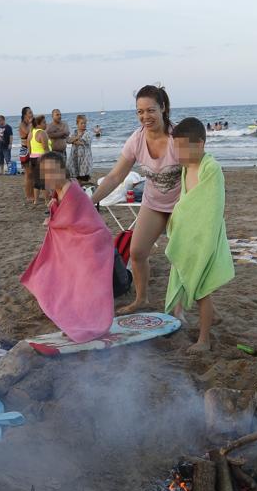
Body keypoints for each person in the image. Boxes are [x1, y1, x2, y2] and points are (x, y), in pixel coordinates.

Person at [91, 84, 181, 312]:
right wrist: (89, 201)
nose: (145, 116)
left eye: (150, 110)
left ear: (163, 108)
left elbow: (199, 174)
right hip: (154, 204)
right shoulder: (136, 139)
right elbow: (115, 176)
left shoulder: (178, 137)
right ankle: (141, 299)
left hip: (182, 205)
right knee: (137, 252)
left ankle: (180, 307)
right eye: (140, 111)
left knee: (182, 258)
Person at [19, 152, 115, 343]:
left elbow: (70, 218)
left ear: (63, 170)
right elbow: (63, 217)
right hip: (78, 242)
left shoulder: (72, 189)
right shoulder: (58, 190)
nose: (50, 176)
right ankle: (75, 321)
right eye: (46, 173)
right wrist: (54, 207)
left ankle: (90, 324)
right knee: (64, 280)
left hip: (93, 241)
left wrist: (52, 221)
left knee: (85, 286)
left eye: (53, 171)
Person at [165, 118, 234, 352]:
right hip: (188, 235)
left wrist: (186, 216)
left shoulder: (210, 168)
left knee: (202, 288)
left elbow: (210, 206)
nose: (179, 154)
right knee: (180, 271)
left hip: (206, 237)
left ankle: (204, 340)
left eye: (184, 148)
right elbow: (185, 201)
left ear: (201, 144)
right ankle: (179, 312)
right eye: (177, 149)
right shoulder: (186, 168)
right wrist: (178, 221)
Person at [27, 115, 51, 206]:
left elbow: (29, 148)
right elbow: (45, 148)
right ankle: (47, 201)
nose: (46, 124)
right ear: (38, 124)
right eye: (44, 122)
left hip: (33, 158)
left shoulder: (31, 133)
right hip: (42, 158)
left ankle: (36, 201)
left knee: (37, 181)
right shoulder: (42, 133)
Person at [18, 107, 36, 204]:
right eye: (30, 112)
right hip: (25, 150)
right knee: (28, 174)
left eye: (32, 112)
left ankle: (32, 194)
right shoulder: (22, 125)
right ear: (25, 115)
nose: (32, 114)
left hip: (32, 150)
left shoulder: (31, 123)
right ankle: (28, 195)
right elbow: (28, 133)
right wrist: (30, 123)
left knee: (33, 174)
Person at [67, 114, 92, 182]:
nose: (84, 125)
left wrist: (73, 140)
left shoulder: (88, 133)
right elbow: (67, 140)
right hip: (74, 159)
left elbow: (81, 142)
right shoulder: (74, 132)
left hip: (84, 160)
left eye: (85, 123)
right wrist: (77, 137)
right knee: (74, 179)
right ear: (77, 123)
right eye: (82, 123)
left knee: (84, 180)